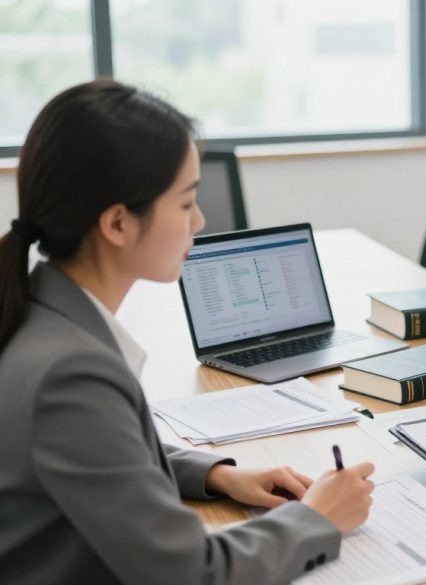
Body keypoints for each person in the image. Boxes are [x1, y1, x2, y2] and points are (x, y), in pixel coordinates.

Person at [0, 80, 375, 584]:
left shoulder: (42, 313)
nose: (199, 220)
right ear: (117, 224)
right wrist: (316, 518)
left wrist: (217, 475)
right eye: (184, 203)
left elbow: (106, 456)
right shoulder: (69, 373)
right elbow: (191, 574)